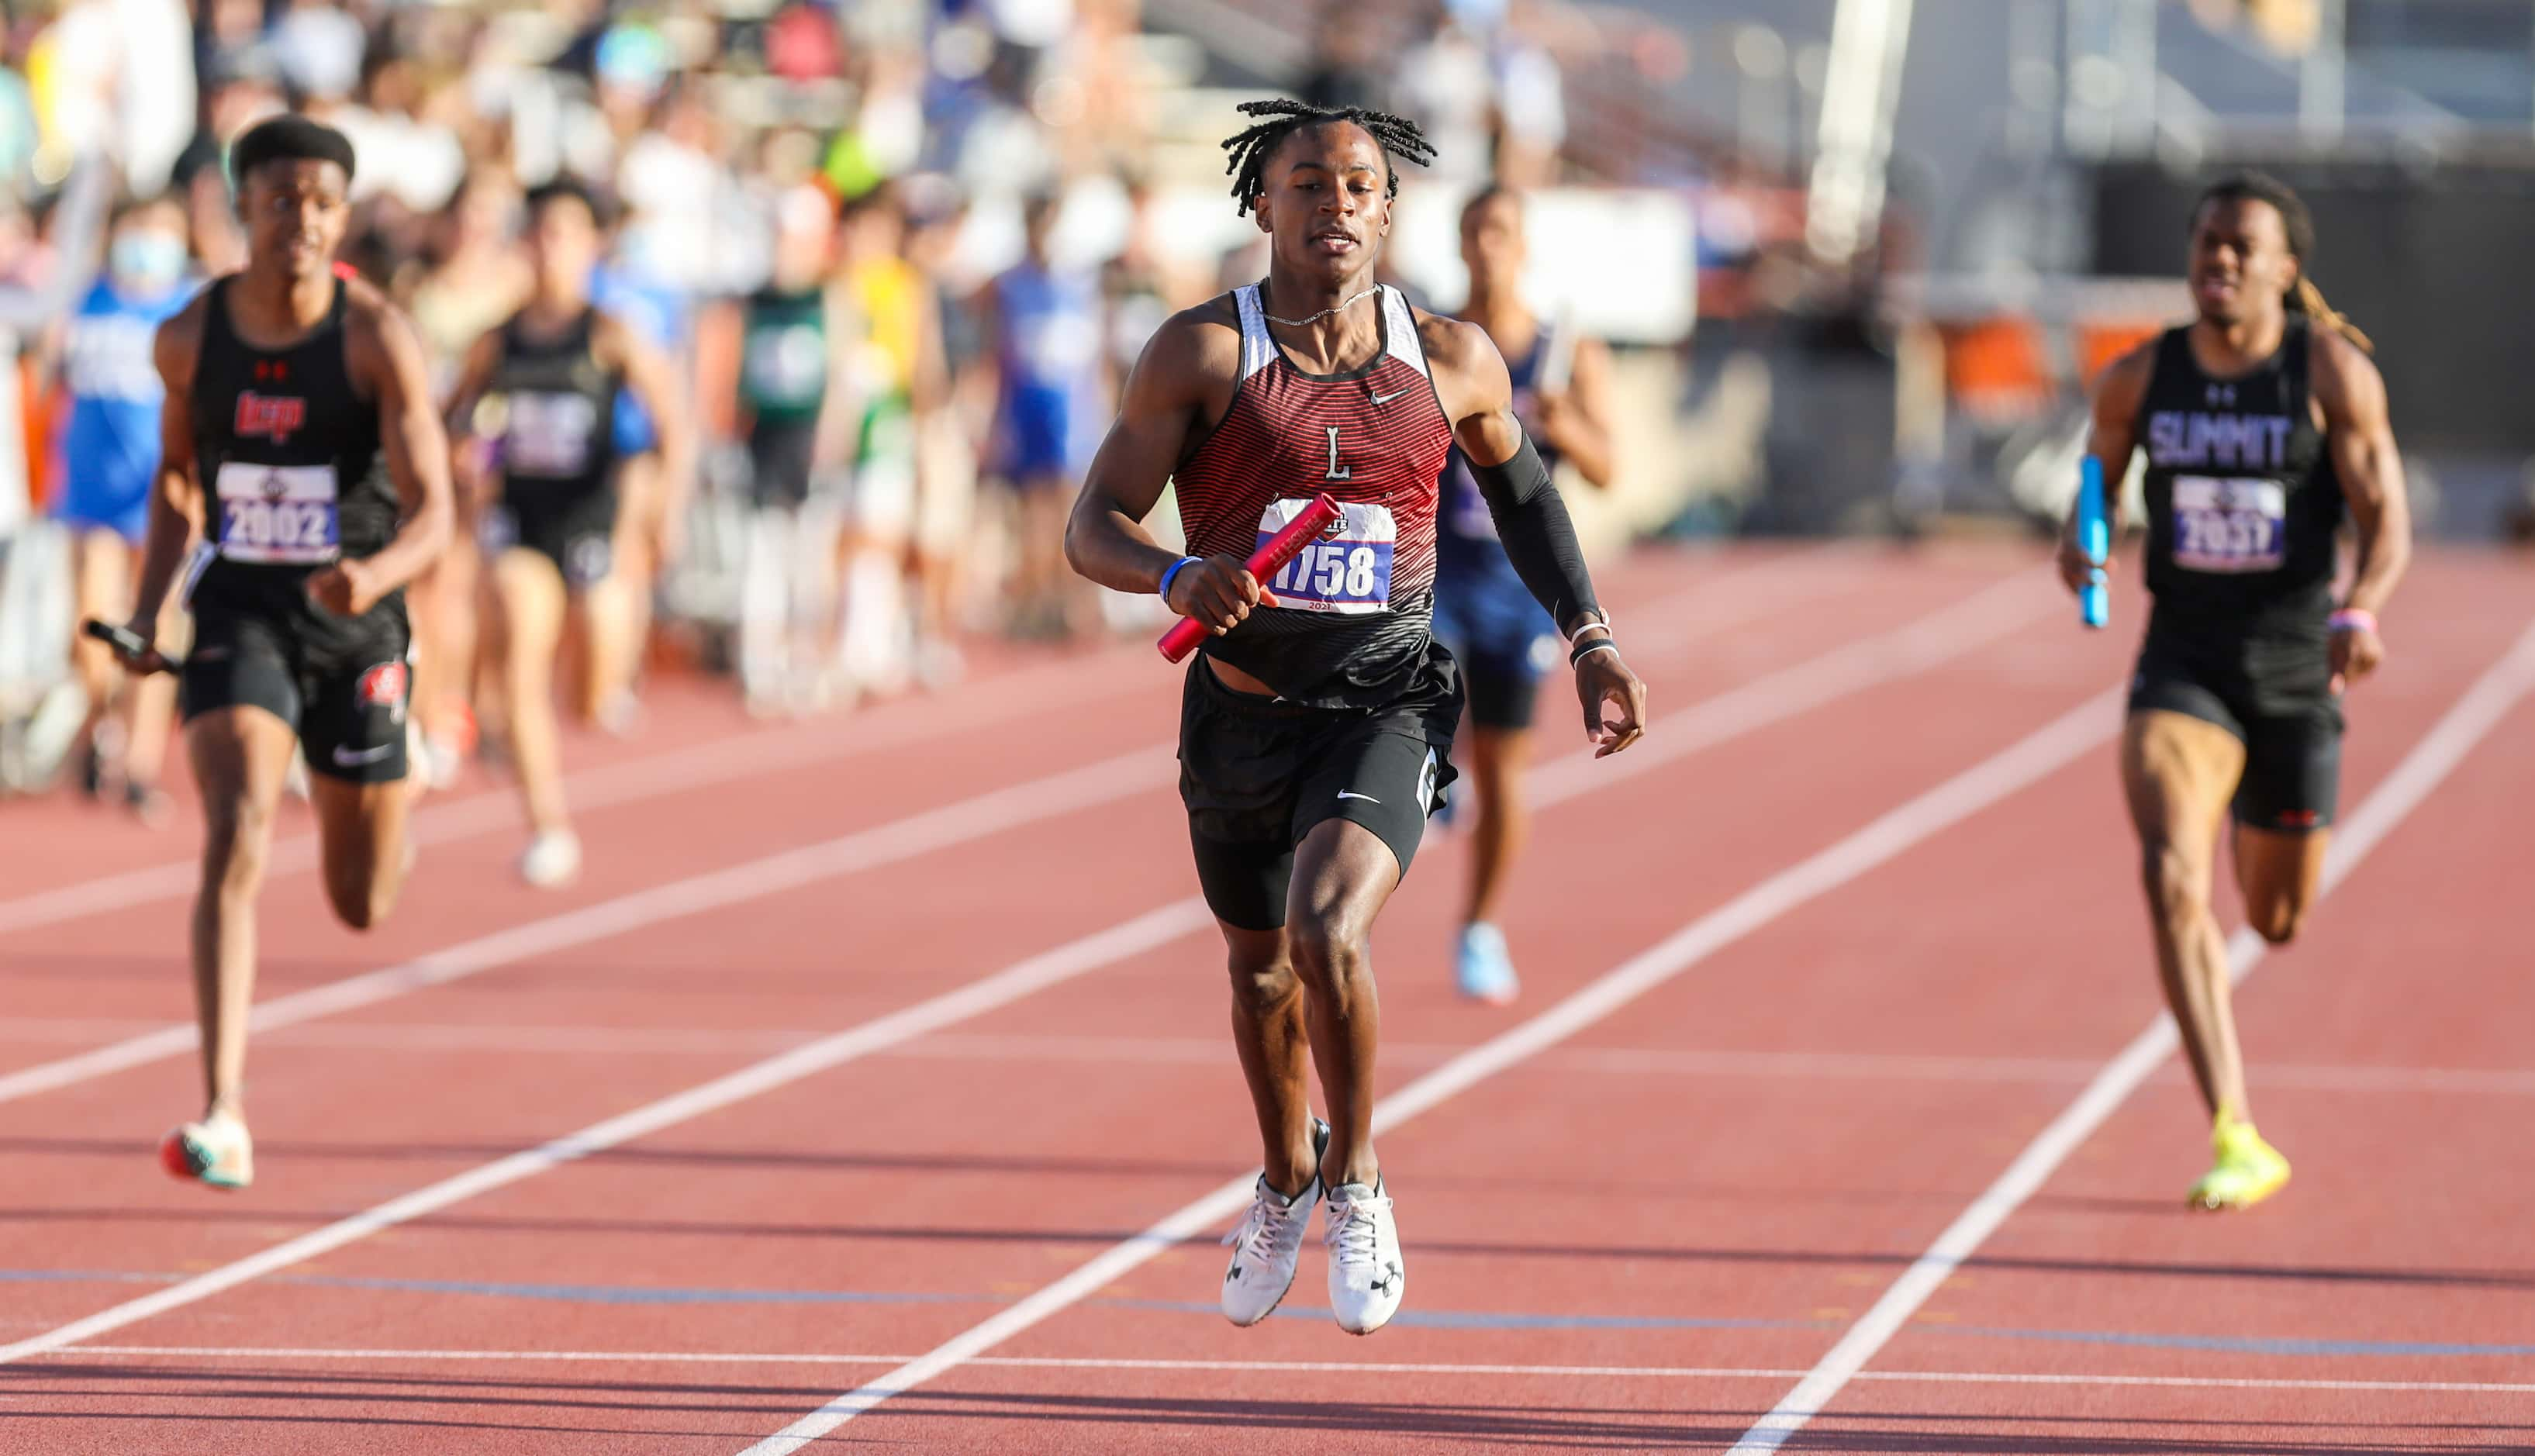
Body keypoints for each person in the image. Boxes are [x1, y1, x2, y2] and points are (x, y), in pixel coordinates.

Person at [1065, 100, 1646, 1336]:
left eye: (1359, 187)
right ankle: (1283, 1173)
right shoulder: (1200, 355)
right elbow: (1090, 523)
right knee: (1258, 966)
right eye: (1308, 185)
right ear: (1261, 205)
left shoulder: (1449, 357)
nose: (1335, 205)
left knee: (1328, 930)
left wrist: (1589, 637)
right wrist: (1173, 573)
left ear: (1390, 211)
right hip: (1238, 712)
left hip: (1387, 697)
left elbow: (1533, 504)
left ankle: (1360, 1177)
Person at [105, 115, 455, 1190]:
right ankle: (224, 1107)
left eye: (319, 201)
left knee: (362, 901)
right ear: (242, 209)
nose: (298, 218)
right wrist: (149, 608)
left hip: (355, 620)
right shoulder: (189, 338)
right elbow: (174, 481)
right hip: (243, 609)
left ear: (342, 217)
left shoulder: (374, 337)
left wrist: (377, 577)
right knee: (239, 822)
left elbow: (438, 511)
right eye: (277, 198)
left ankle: (396, 772)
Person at [2057, 172, 2409, 1212]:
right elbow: (2096, 471)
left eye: (2240, 249)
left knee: (2276, 913)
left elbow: (2384, 514)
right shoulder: (2138, 376)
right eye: (2206, 244)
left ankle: (2269, 856)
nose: (2218, 261)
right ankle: (2233, 1128)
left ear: (2283, 269)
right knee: (2171, 871)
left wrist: (2363, 607)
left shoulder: (2328, 372)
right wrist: (2079, 546)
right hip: (2186, 661)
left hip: (2299, 665)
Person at [448, 178, 689, 887]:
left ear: (591, 247)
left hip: (593, 523)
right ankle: (548, 826)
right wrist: (464, 451)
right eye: (542, 234)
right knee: (521, 647)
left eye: (567, 235)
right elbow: (450, 416)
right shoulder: (499, 341)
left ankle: (598, 688)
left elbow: (672, 425)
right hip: (523, 520)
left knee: (590, 695)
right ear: (526, 245)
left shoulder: (611, 334)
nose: (552, 249)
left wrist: (663, 511)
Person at [1432, 185, 1616, 1003]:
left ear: (1523, 246)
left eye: (1499, 233)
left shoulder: (1565, 350)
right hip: (1433, 571)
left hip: (1515, 584)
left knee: (1506, 760)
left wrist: (1559, 420)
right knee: (1410, 704)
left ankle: (1478, 926)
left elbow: (1608, 467)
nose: (1485, 248)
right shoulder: (1430, 343)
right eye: (1473, 233)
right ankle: (1433, 768)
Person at [59, 192, 199, 822]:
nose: (148, 244)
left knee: (156, 626)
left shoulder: (188, 310)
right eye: (139, 230)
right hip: (90, 493)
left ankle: (139, 767)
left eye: (162, 232)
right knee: (90, 626)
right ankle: (100, 713)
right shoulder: (85, 295)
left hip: (163, 493)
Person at [986, 191, 1105, 638]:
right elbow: (999, 354)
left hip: (1073, 412)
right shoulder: (1010, 285)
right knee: (1033, 512)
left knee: (1074, 509)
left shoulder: (1080, 282)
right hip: (1028, 409)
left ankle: (1073, 603)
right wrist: (998, 418)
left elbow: (1093, 355)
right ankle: (1036, 604)